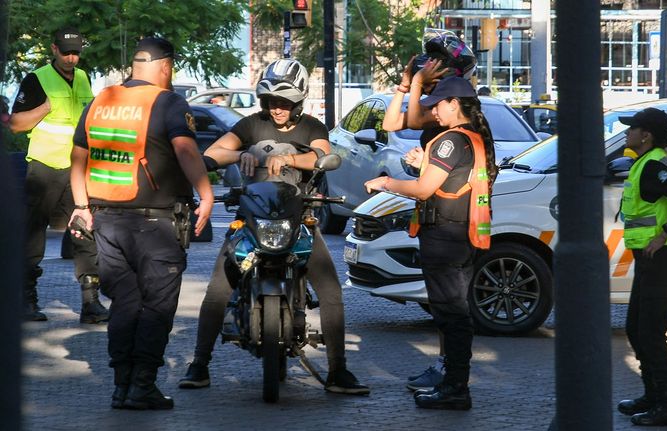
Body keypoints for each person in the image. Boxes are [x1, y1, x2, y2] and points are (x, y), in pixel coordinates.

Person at [178, 59, 369, 396]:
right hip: (251, 220)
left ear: (299, 102)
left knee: (330, 290)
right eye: (271, 102)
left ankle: (338, 371)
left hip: (298, 219)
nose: (277, 109)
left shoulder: (312, 127)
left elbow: (321, 156)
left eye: (285, 102)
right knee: (219, 288)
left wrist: (292, 159)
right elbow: (215, 151)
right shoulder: (252, 124)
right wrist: (240, 155)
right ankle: (199, 365)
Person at [68, 36, 213, 410]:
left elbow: (78, 157)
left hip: (107, 222)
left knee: (124, 304)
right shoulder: (167, 102)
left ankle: (121, 386)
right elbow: (186, 150)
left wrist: (82, 206)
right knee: (157, 307)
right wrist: (206, 194)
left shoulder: (101, 101)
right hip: (156, 225)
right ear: (166, 66)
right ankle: (142, 385)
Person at [365, 76, 497, 410]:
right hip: (463, 235)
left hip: (444, 237)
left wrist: (387, 182)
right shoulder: (473, 137)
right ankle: (455, 384)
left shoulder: (450, 140)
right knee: (457, 313)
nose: (433, 112)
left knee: (451, 315)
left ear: (454, 104)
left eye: (437, 105)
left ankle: (455, 388)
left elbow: (424, 190)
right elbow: (451, 181)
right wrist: (422, 164)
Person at [381, 29, 477, 392]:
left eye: (436, 62)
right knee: (446, 306)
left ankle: (451, 377)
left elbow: (407, 125)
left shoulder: (453, 115)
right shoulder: (442, 110)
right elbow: (391, 123)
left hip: (451, 220)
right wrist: (406, 85)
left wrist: (419, 82)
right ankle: (447, 371)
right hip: (440, 215)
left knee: (451, 307)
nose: (428, 66)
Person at [9, 27, 109, 323]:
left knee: (84, 230)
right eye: (66, 52)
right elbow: (15, 125)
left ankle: (91, 303)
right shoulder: (37, 78)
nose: (71, 58)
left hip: (77, 169)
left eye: (76, 52)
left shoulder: (83, 77)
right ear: (53, 49)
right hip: (45, 168)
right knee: (33, 233)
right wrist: (45, 107)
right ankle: (26, 300)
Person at [616, 107, 667, 427]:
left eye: (632, 128)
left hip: (663, 259)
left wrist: (663, 235)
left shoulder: (652, 165)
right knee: (636, 329)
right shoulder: (645, 162)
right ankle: (651, 396)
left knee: (650, 333)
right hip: (649, 260)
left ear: (646, 135)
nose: (626, 132)